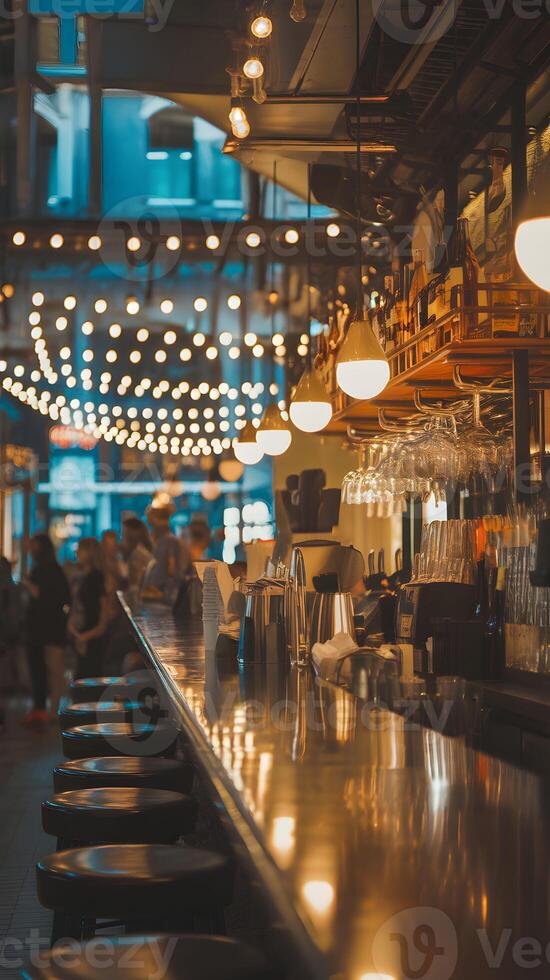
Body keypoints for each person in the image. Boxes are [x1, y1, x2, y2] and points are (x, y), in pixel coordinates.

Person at [22, 534, 71, 726]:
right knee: (45, 669)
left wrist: (29, 585)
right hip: (44, 627)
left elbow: (50, 596)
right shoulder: (51, 569)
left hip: (46, 627)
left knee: (50, 669)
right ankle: (44, 708)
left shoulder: (47, 570)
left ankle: (49, 709)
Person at [71, 537, 110, 678]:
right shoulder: (85, 577)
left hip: (91, 636)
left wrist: (85, 637)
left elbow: (102, 615)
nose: (77, 552)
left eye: (80, 549)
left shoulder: (95, 577)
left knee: (87, 680)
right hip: (84, 633)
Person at [142, 500, 188, 605]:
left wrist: (164, 594)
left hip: (164, 604)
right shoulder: (159, 542)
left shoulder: (170, 542)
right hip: (156, 602)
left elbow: (176, 574)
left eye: (151, 520)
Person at [121, 517, 154, 594]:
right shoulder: (142, 551)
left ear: (131, 535)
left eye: (124, 533)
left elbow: (135, 586)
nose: (122, 537)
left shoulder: (137, 556)